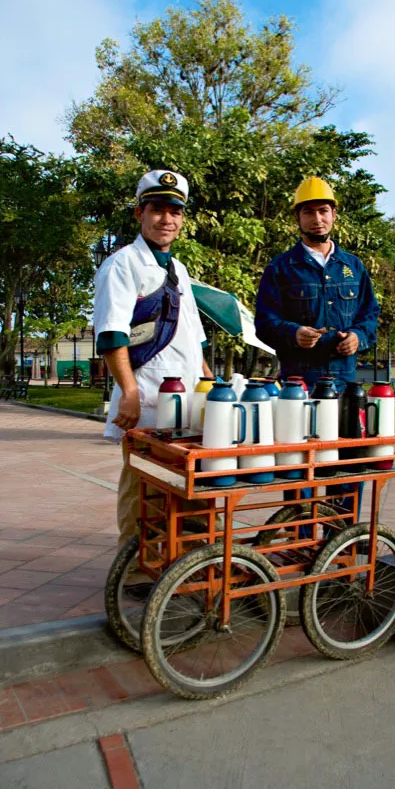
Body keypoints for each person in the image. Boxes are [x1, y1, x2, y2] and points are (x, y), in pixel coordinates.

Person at [94, 170, 213, 589]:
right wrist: (127, 390)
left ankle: (182, 560)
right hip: (145, 395)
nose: (167, 219)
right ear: (139, 213)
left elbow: (194, 336)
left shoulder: (177, 267)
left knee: (184, 480)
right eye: (158, 209)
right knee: (141, 483)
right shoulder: (123, 264)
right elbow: (111, 333)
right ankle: (134, 569)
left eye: (175, 211)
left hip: (184, 397)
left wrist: (208, 383)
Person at [255, 176, 380, 521]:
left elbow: (371, 316)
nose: (317, 218)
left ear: (334, 215)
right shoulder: (280, 268)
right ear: (298, 218)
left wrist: (359, 336)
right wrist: (293, 334)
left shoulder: (353, 268)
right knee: (300, 472)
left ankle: (341, 546)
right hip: (299, 386)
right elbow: (264, 324)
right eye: (308, 212)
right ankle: (298, 541)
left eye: (323, 211)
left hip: (345, 388)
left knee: (348, 470)